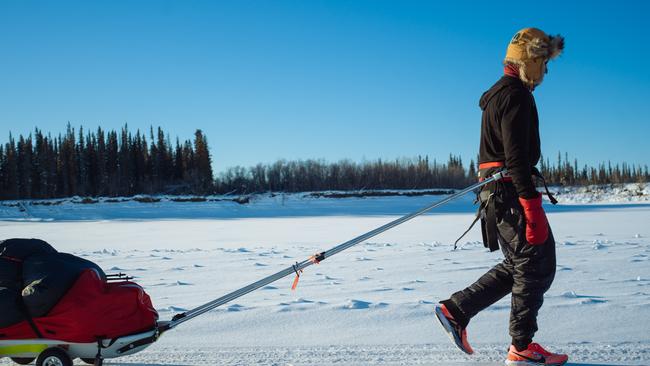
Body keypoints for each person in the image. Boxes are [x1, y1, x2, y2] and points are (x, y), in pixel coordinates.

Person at [434, 28, 568, 366]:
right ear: (529, 60)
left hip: (497, 191)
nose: (545, 72)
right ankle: (521, 347)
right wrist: (531, 205)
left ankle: (456, 309)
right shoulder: (516, 95)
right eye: (542, 62)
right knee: (535, 265)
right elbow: (516, 157)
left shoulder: (499, 94)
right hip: (509, 192)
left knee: (524, 264)